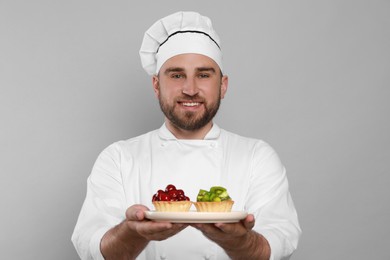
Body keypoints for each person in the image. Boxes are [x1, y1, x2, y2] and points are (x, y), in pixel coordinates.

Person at [72, 11, 301, 260]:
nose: (190, 89)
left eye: (203, 75)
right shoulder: (118, 158)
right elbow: (92, 248)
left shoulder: (257, 157)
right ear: (156, 85)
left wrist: (238, 242)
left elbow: (277, 244)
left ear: (222, 85)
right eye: (176, 75)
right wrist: (133, 232)